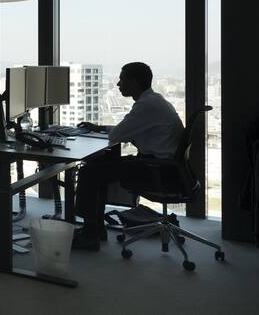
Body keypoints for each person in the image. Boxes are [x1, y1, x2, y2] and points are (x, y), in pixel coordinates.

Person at [71, 62, 184, 251]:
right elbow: (127, 131)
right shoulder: (154, 100)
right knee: (99, 166)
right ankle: (95, 228)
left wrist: (109, 130)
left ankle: (90, 233)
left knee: (89, 172)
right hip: (163, 166)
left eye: (122, 79)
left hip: (156, 171)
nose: (118, 84)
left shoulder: (146, 105)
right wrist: (100, 128)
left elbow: (117, 135)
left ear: (133, 82)